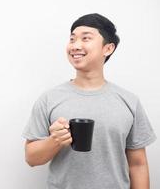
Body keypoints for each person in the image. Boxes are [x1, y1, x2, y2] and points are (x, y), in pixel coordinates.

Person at [22, 13, 157, 189]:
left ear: (108, 48)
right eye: (72, 39)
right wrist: (54, 140)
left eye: (86, 38)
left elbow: (138, 164)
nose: (75, 45)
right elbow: (31, 158)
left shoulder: (129, 101)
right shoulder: (49, 98)